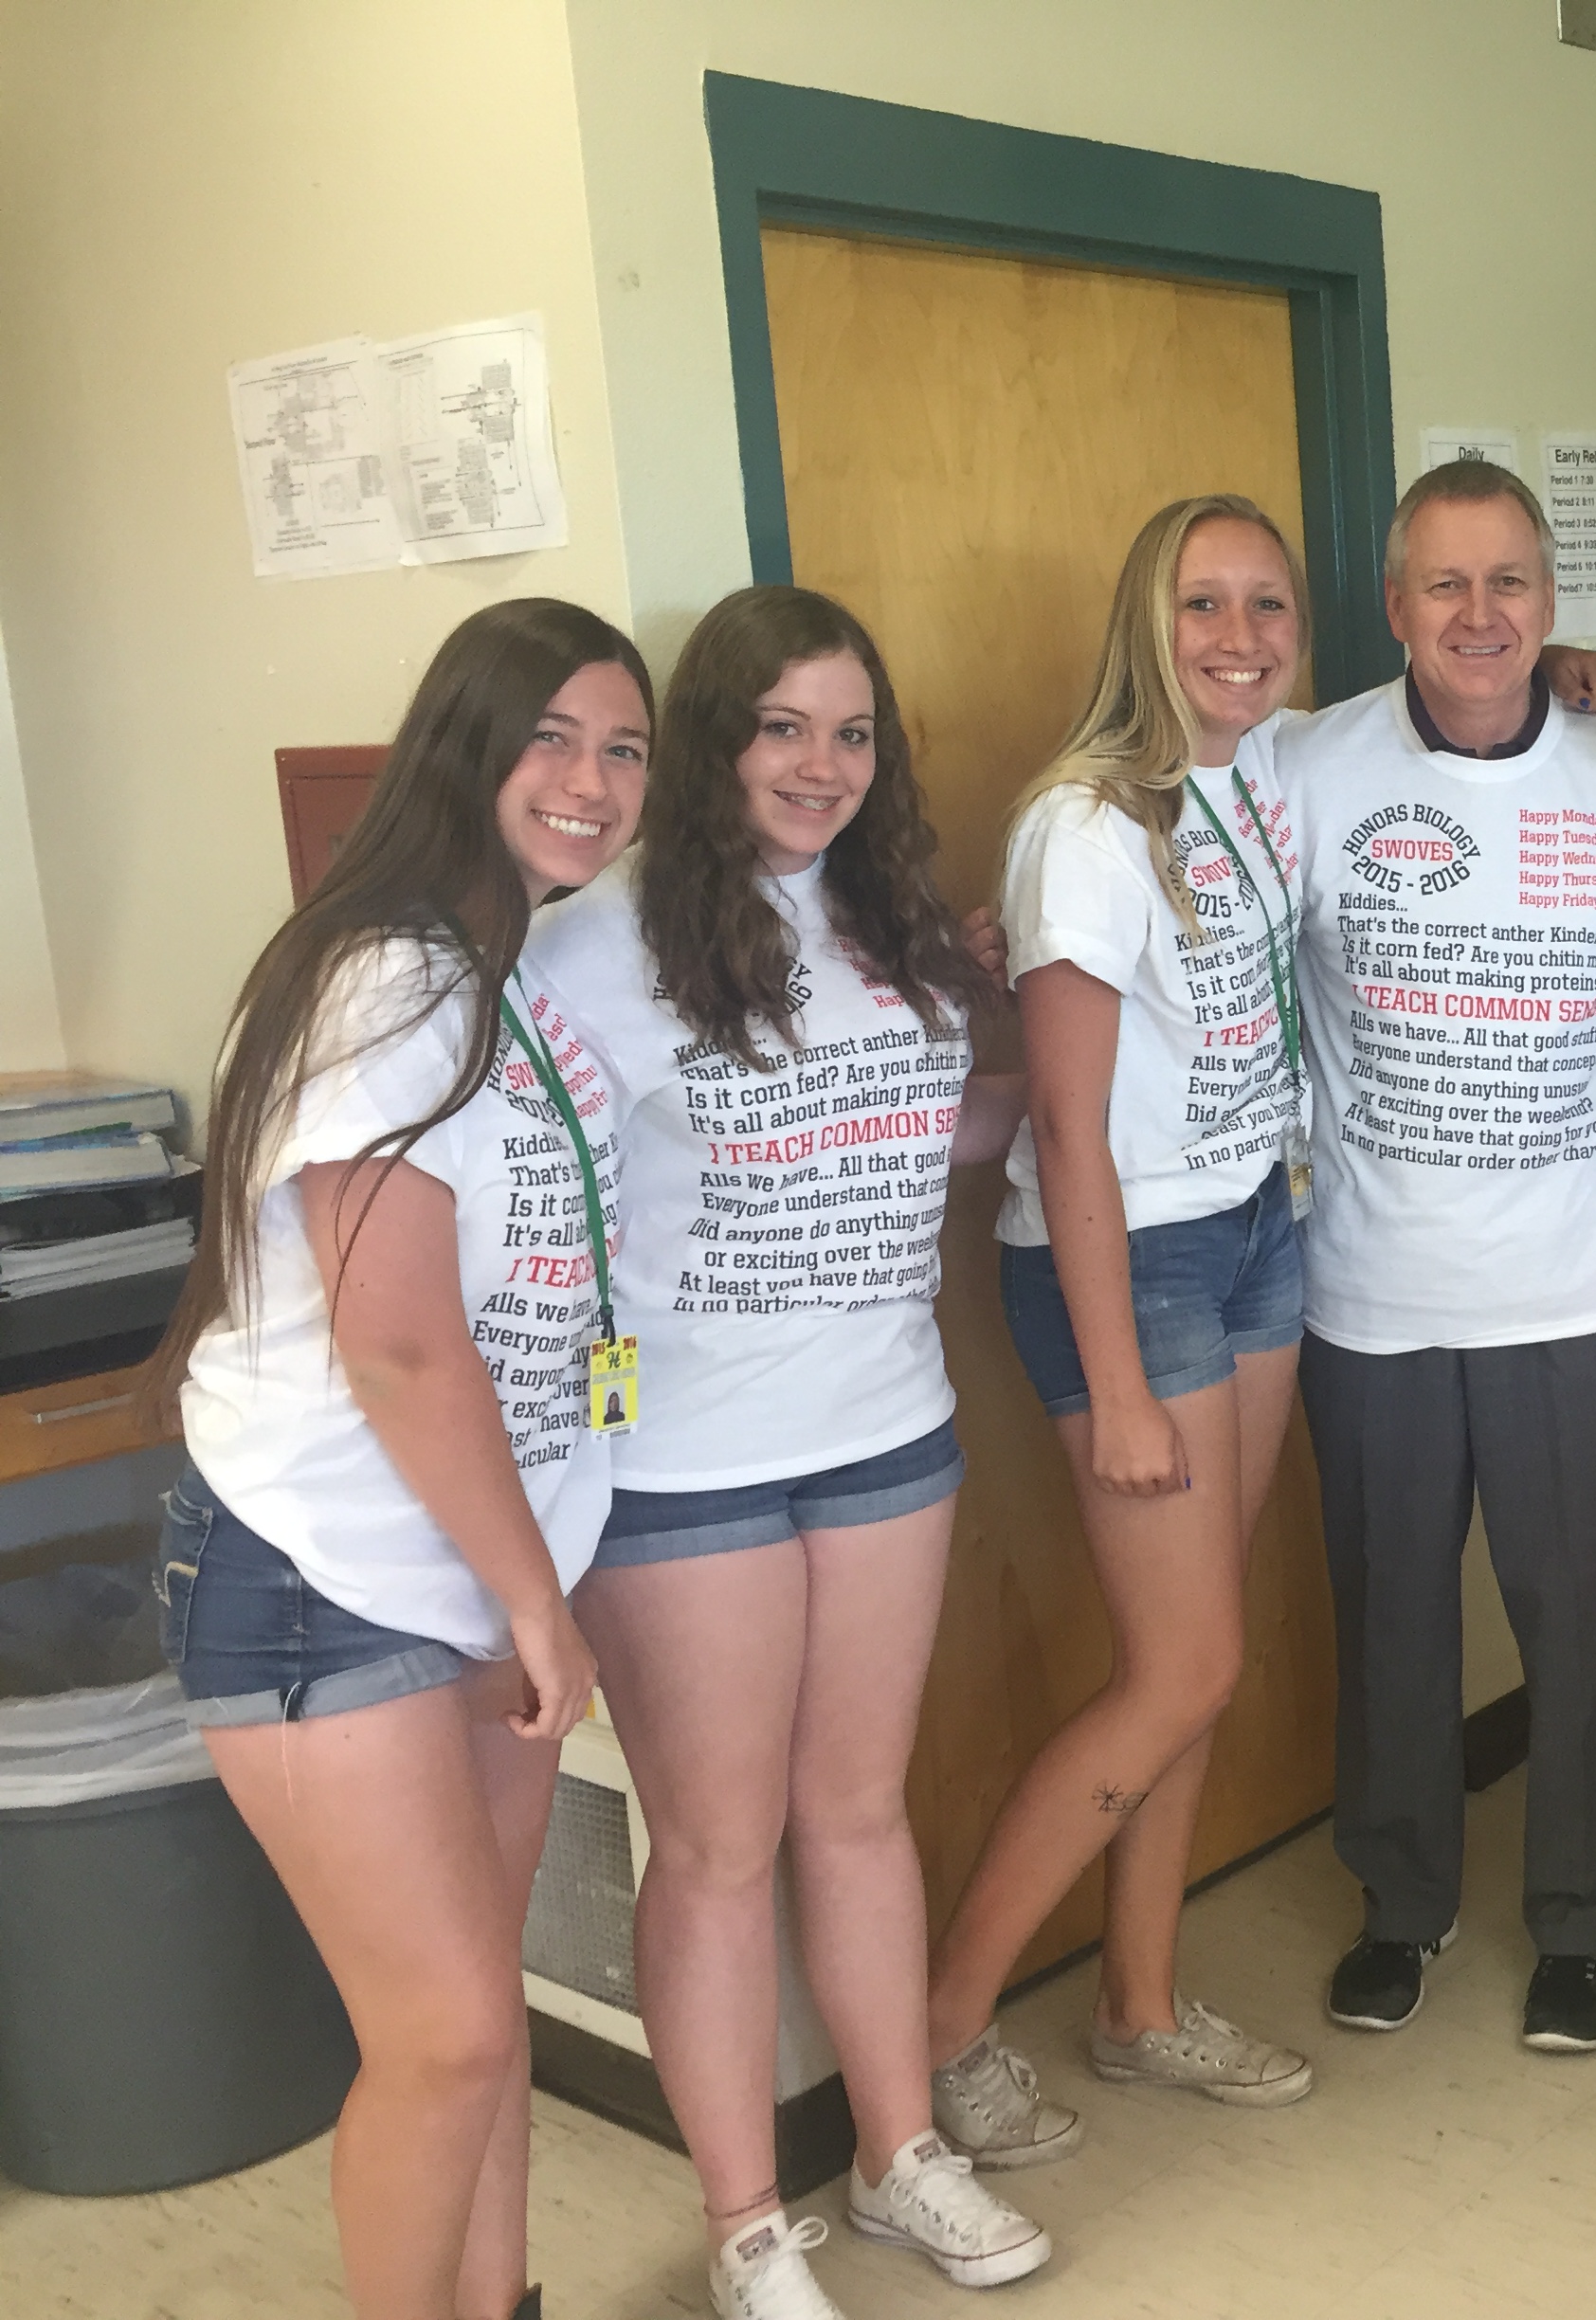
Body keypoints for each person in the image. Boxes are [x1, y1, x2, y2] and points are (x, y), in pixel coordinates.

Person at [531, 585, 1043, 2319]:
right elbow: (519, 1211)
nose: (821, 765)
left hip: (888, 1428)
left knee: (858, 1815)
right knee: (716, 1846)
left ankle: (898, 2156)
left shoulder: (890, 921)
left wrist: (1031, 1032)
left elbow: (935, 1136)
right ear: (710, 742)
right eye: (781, 729)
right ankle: (747, 2223)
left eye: (851, 732)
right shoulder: (586, 950)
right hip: (684, 1466)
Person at [149, 598, 646, 2320]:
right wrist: (540, 1603)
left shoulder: (503, 966)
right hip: (321, 1569)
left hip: (467, 1559)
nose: (592, 781)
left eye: (624, 750)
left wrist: (522, 1582)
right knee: (444, 2041)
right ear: (464, 746)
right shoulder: (390, 976)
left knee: (476, 2019)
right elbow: (399, 1341)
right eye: (552, 738)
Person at [922, 494, 1323, 2126]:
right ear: (1143, 626)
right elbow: (1070, 1131)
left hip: (1254, 1225)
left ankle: (1138, 2005)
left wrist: (1587, 684)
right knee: (1182, 1667)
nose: (1239, 638)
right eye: (1201, 605)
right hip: (1130, 1264)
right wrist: (1119, 1384)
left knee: (1197, 1660)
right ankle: (936, 2039)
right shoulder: (1084, 826)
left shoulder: (1264, 770)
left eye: (1267, 605)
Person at [1290, 459, 1596, 2051]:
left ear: (1550, 599)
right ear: (1395, 605)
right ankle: (1403, 1901)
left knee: (1584, 1627)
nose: (1479, 612)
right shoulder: (1305, 765)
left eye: (1509, 580)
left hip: (1577, 1288)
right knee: (1390, 1621)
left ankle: (1584, 1922)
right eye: (1444, 583)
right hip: (1369, 1291)